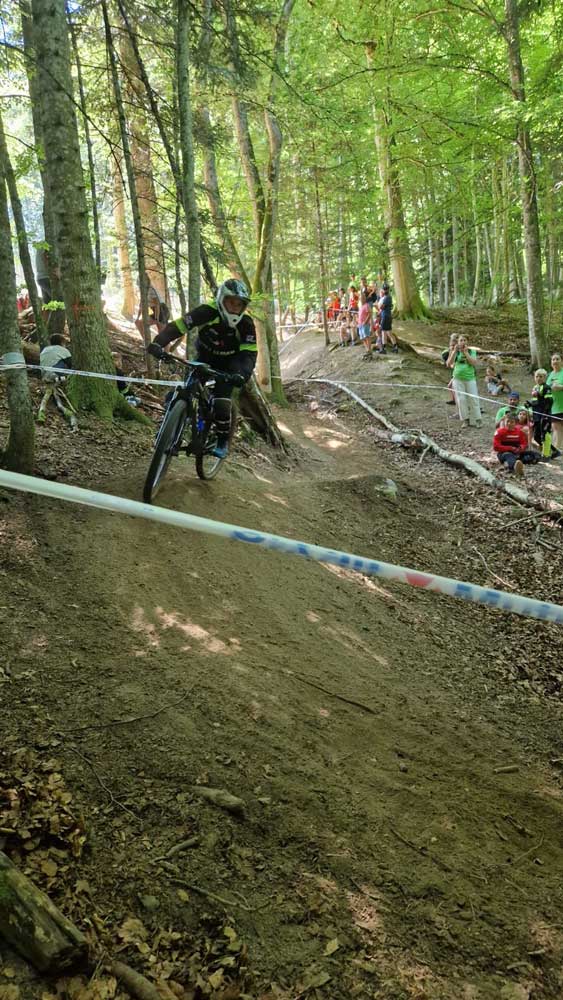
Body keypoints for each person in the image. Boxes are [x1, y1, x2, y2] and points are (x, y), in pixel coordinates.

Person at [148, 278, 256, 459]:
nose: (235, 308)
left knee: (222, 400)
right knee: (184, 390)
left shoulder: (246, 324)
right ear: (221, 299)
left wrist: (241, 375)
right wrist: (158, 343)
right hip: (204, 358)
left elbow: (249, 354)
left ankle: (222, 441)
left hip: (230, 364)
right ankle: (170, 425)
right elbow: (179, 326)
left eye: (239, 304)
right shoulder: (206, 312)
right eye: (231, 302)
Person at [447, 334, 481, 427]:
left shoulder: (471, 351)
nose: (463, 342)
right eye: (461, 340)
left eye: (464, 340)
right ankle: (465, 420)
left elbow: (474, 363)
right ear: (458, 342)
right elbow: (449, 363)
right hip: (457, 379)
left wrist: (466, 353)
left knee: (473, 398)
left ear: (467, 342)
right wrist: (454, 352)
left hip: (470, 378)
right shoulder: (455, 351)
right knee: (461, 399)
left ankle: (478, 419)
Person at [528, 369, 554, 451]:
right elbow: (535, 401)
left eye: (541, 377)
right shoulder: (535, 387)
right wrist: (529, 404)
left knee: (545, 434)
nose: (538, 378)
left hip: (544, 414)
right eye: (537, 376)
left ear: (545, 378)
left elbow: (549, 401)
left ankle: (548, 452)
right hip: (536, 415)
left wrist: (539, 395)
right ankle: (550, 450)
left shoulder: (546, 387)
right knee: (536, 436)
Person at [547, 353, 563, 453]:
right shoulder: (550, 375)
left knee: (557, 427)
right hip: (554, 406)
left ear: (562, 361)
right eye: (553, 359)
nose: (555, 361)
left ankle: (556, 449)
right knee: (556, 427)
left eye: (557, 359)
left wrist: (560, 387)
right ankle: (555, 449)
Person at [376, 283, 398, 354]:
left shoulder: (387, 297)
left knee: (383, 332)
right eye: (384, 289)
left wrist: (378, 306)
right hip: (387, 316)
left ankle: (384, 349)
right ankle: (395, 347)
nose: (385, 290)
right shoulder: (387, 297)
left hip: (385, 317)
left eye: (386, 289)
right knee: (389, 333)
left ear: (388, 290)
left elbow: (382, 307)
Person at [357, 292, 373, 360]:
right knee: (362, 338)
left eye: (363, 298)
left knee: (367, 337)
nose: (362, 299)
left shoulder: (367, 305)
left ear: (365, 298)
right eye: (361, 298)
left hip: (365, 324)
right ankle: (367, 350)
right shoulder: (361, 306)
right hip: (360, 324)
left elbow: (370, 314)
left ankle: (369, 350)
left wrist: (365, 322)